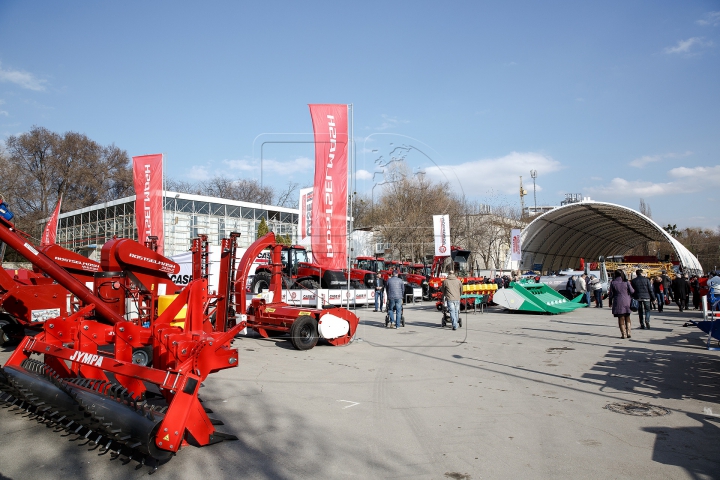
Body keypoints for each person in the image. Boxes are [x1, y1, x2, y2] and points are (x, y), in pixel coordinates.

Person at [609, 269, 634, 339]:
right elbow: (632, 291)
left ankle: (624, 334)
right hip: (627, 301)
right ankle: (629, 332)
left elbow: (611, 294)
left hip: (618, 301)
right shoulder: (626, 282)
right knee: (627, 317)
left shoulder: (613, 282)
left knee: (621, 318)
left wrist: (610, 302)